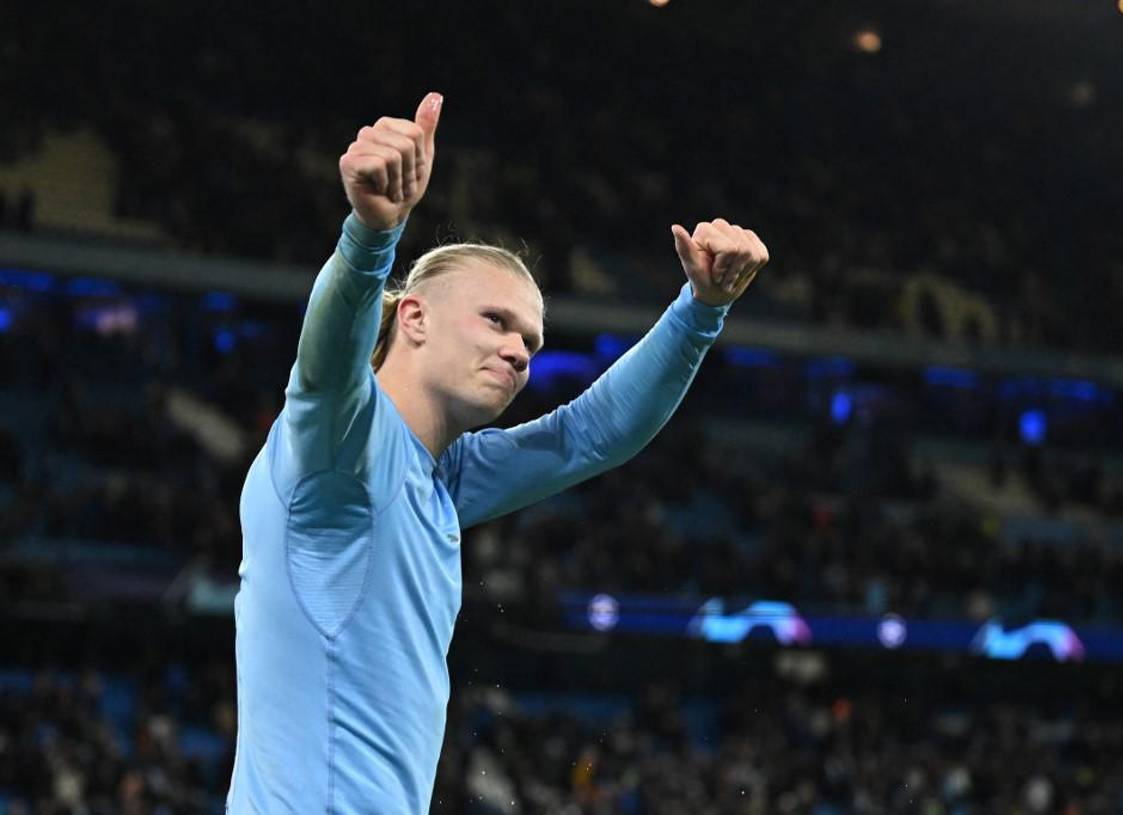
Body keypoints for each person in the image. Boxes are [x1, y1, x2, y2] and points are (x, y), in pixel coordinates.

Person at [226, 91, 769, 813]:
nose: (519, 351)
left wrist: (701, 312)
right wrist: (369, 238)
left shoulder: (438, 476)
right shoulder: (339, 454)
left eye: (531, 342)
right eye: (496, 321)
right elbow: (325, 365)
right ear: (413, 317)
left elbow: (586, 434)